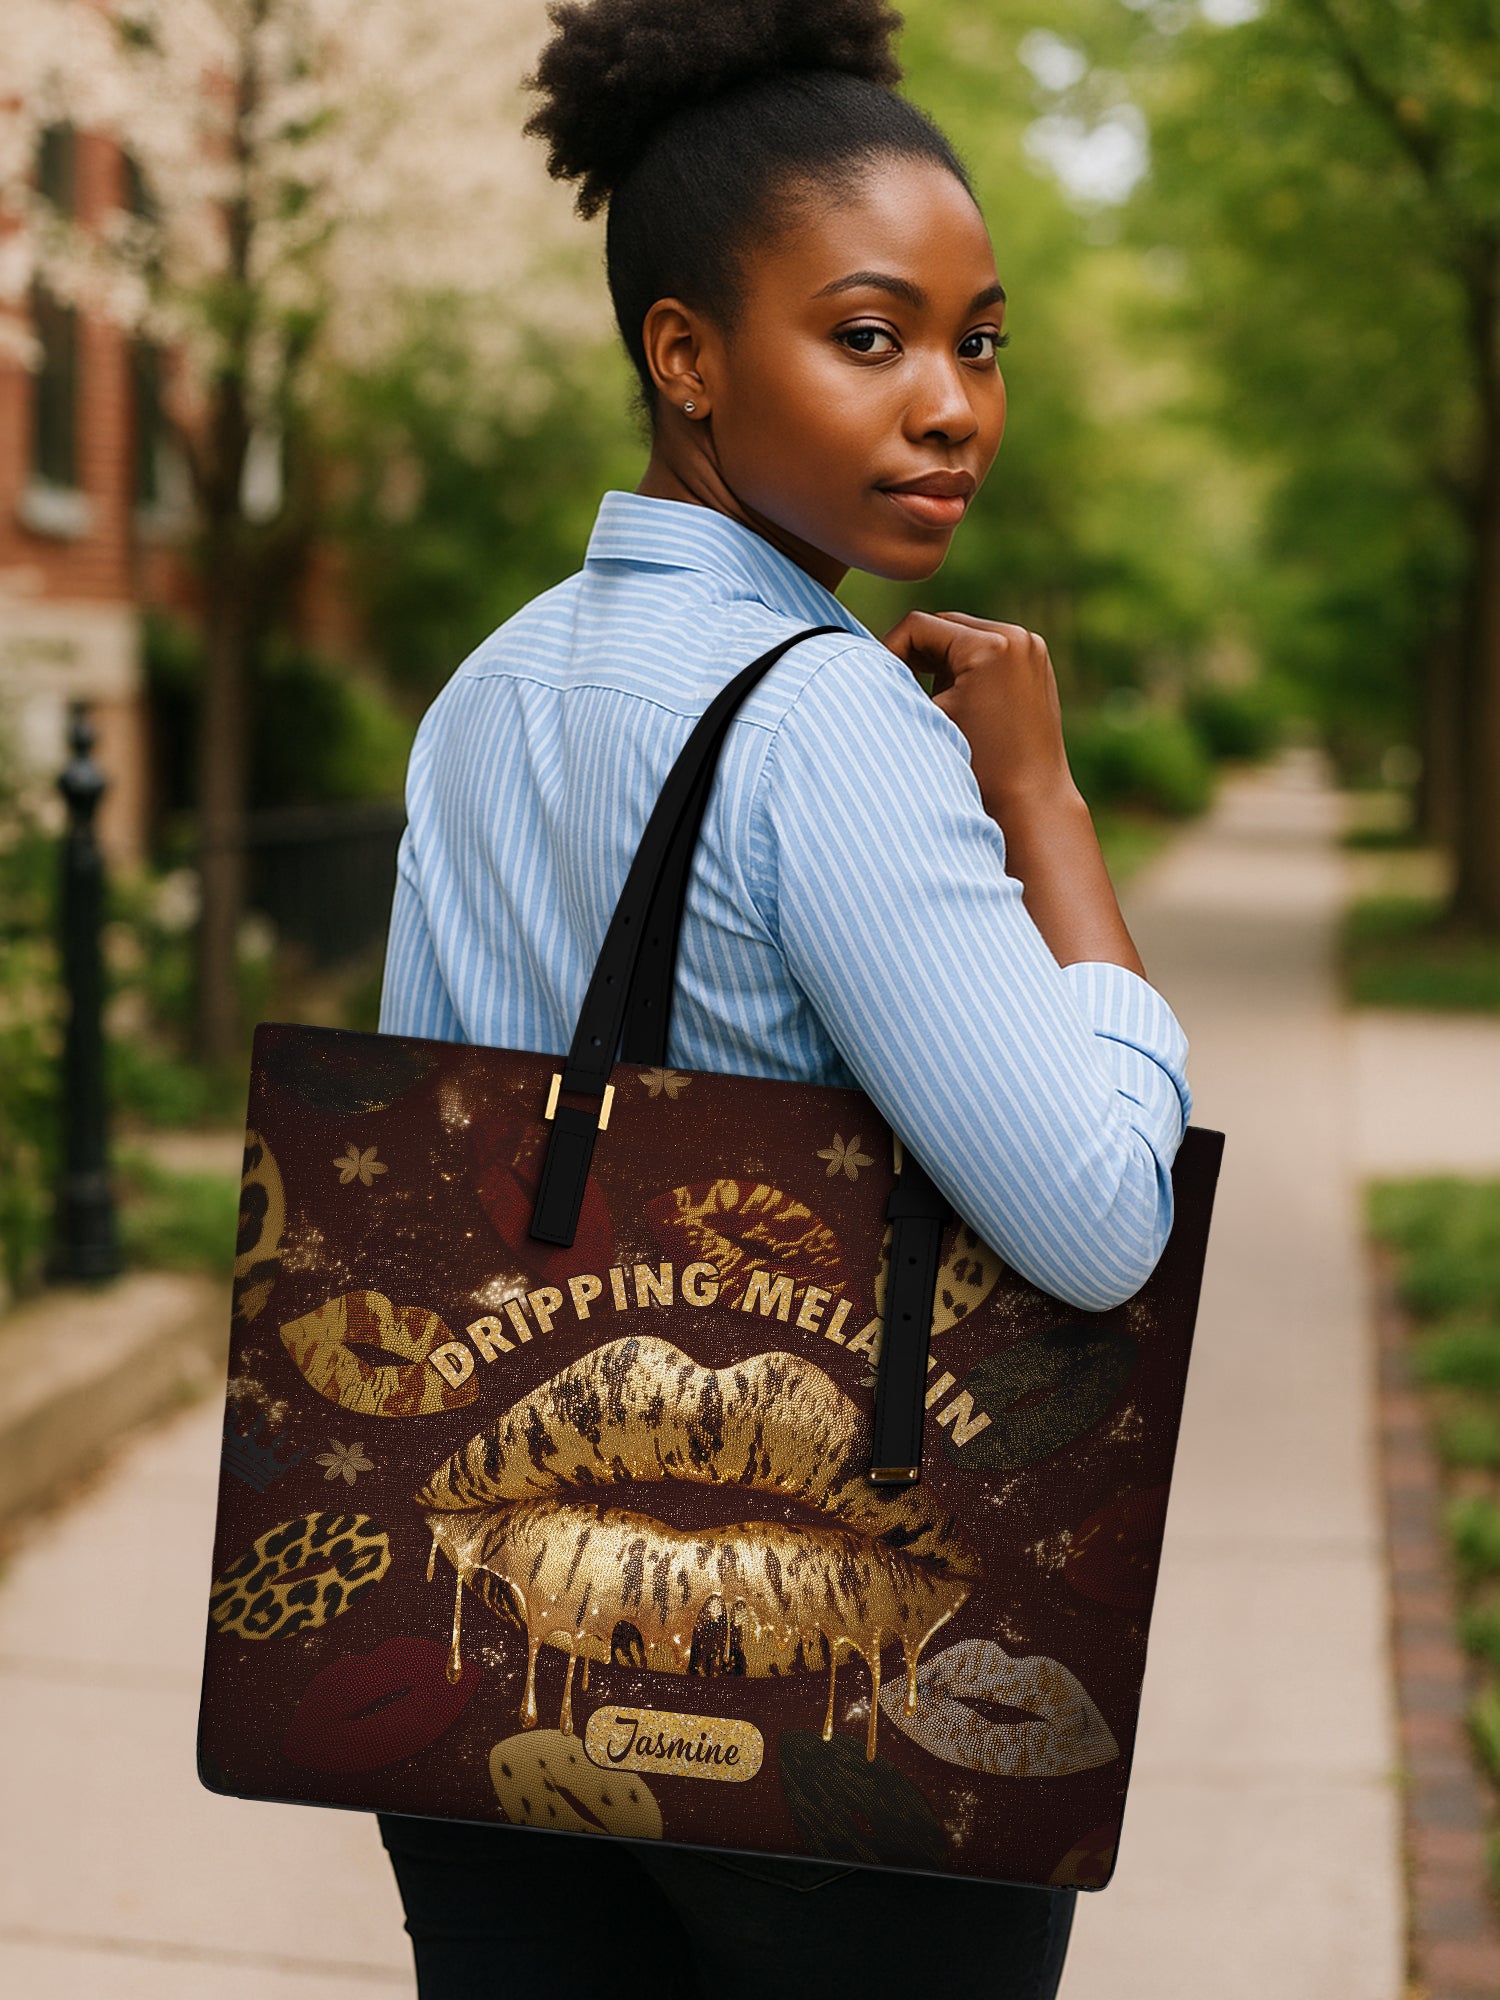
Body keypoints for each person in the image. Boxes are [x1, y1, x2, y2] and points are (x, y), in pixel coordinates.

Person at [374, 2, 1193, 1994]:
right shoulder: (830, 720)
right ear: (686, 358)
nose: (950, 406)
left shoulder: (487, 689)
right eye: (868, 333)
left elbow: (432, 1140)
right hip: (820, 1694)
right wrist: (1043, 803)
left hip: (495, 1664)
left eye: (976, 340)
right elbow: (1097, 1221)